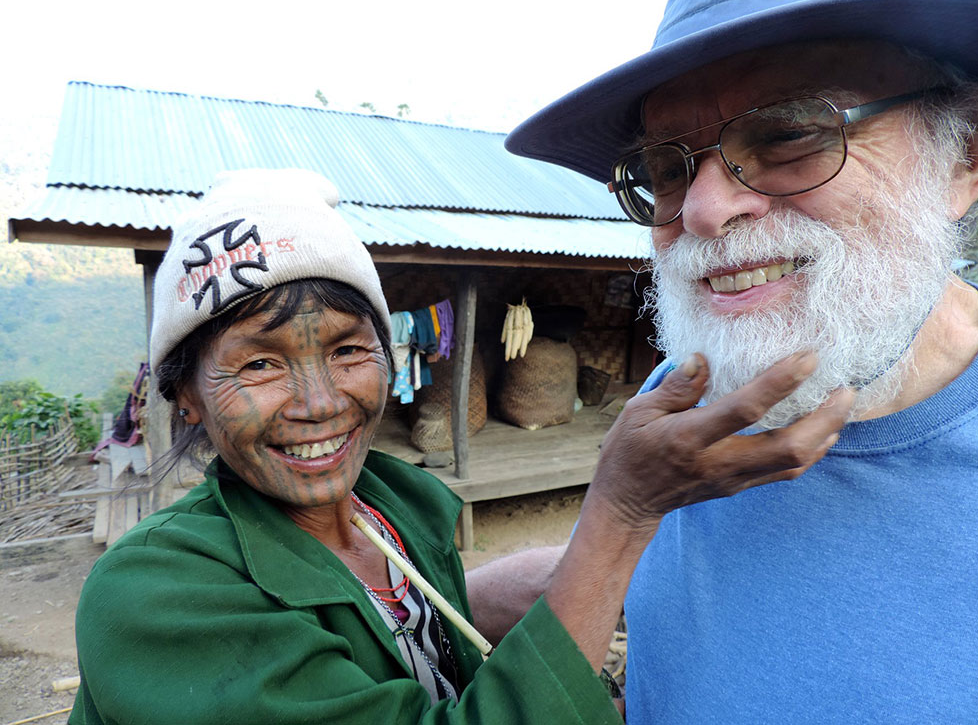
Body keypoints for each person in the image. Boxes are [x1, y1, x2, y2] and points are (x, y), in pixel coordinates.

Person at [69, 168, 848, 724]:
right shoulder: (151, 596)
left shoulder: (389, 512)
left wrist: (478, 600)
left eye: (347, 350)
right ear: (187, 400)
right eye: (261, 363)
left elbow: (386, 642)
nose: (319, 403)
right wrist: (620, 514)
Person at [506, 0, 978, 720]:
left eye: (789, 133)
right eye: (665, 170)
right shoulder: (682, 397)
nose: (700, 209)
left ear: (965, 157)